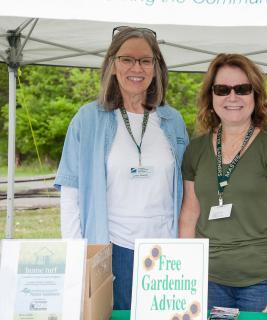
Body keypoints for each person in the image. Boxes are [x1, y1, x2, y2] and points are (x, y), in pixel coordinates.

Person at [54, 26, 188, 310]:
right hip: (113, 250)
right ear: (113, 65)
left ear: (156, 68)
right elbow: (70, 193)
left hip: (167, 251)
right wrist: (78, 255)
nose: (136, 67)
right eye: (127, 59)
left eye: (145, 60)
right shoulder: (88, 119)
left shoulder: (172, 120)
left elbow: (187, 190)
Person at [179, 53, 267, 320]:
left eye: (242, 89)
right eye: (222, 89)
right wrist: (186, 273)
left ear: (256, 95)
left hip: (262, 281)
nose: (232, 97)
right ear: (211, 97)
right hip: (207, 279)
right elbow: (190, 215)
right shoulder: (196, 149)